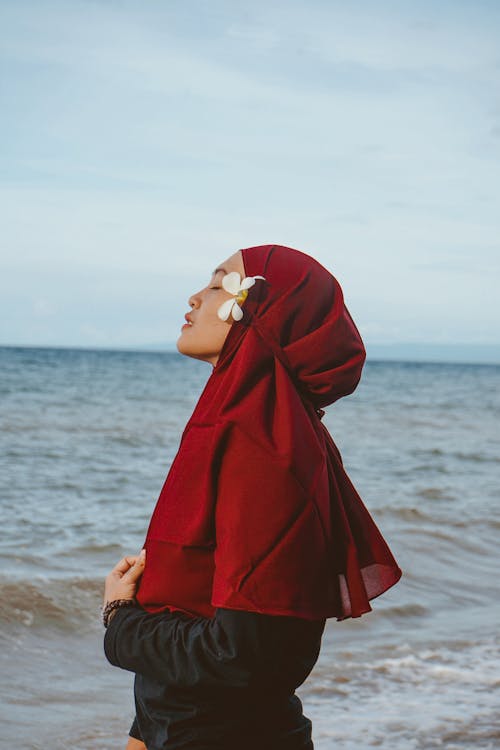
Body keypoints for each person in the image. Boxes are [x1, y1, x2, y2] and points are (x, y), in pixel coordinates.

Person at [103, 244, 402, 750]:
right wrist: (142, 734)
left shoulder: (263, 448)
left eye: (219, 284)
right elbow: (201, 619)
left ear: (267, 314)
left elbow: (239, 656)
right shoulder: (246, 428)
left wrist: (120, 620)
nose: (195, 298)